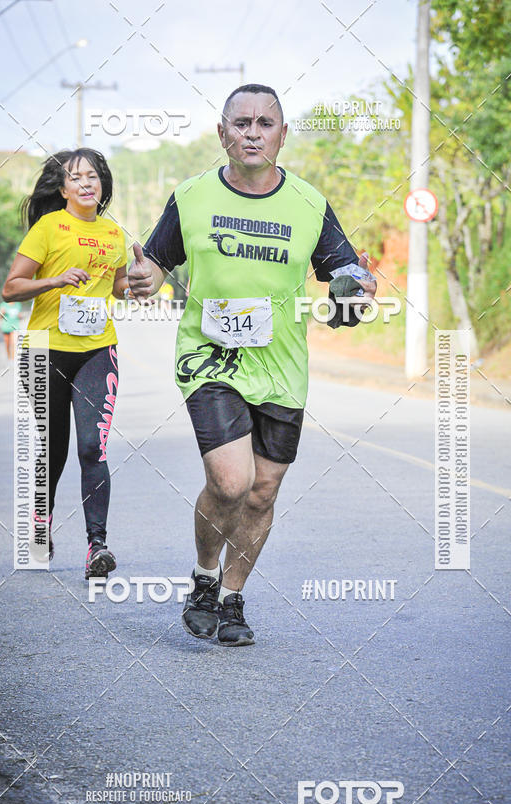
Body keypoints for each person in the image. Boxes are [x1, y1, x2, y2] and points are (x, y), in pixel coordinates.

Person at [127, 84, 377, 645]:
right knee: (231, 479)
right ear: (222, 134)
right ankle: (204, 579)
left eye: (265, 123)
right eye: (241, 123)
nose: (252, 132)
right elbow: (153, 267)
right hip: (209, 357)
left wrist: (360, 290)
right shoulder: (191, 197)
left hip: (282, 365)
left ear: (282, 136)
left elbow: (347, 276)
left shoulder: (309, 204)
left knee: (263, 491)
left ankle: (233, 599)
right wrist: (144, 280)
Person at [2, 148, 129, 579]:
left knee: (92, 446)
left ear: (103, 184)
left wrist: (139, 282)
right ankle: (41, 527)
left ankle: (98, 546)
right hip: (44, 349)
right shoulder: (48, 227)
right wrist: (55, 280)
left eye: (92, 176)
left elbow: (122, 289)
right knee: (50, 448)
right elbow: (11, 288)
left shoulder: (114, 234)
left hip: (97, 349)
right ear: (62, 189)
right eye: (75, 178)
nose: (85, 183)